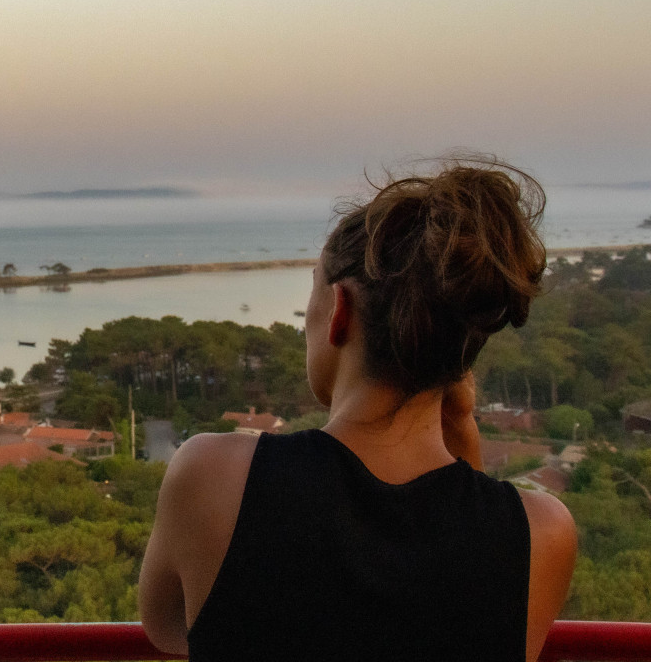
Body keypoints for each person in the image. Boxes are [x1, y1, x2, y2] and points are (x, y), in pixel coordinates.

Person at [139, 159, 577, 662]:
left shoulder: (213, 475)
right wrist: (460, 425)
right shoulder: (541, 533)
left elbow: (170, 629)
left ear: (339, 312)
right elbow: (470, 581)